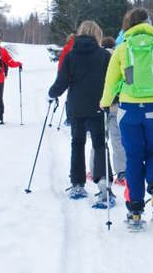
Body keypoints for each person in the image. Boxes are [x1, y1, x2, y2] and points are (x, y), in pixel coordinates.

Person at [100, 7, 153, 229]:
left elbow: (111, 82)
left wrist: (105, 103)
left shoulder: (122, 49)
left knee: (133, 157)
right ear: (148, 23)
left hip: (129, 110)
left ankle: (134, 210)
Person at [49, 21, 114, 205]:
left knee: (77, 144)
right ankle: (103, 183)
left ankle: (77, 183)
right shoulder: (104, 56)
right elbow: (112, 81)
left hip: (76, 108)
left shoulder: (71, 55)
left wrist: (52, 94)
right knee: (100, 144)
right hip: (98, 106)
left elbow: (62, 81)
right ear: (97, 35)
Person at [101, 35, 127, 185]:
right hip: (119, 103)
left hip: (104, 103)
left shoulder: (98, 57)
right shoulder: (119, 55)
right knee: (118, 139)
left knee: (100, 140)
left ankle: (98, 170)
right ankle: (122, 172)